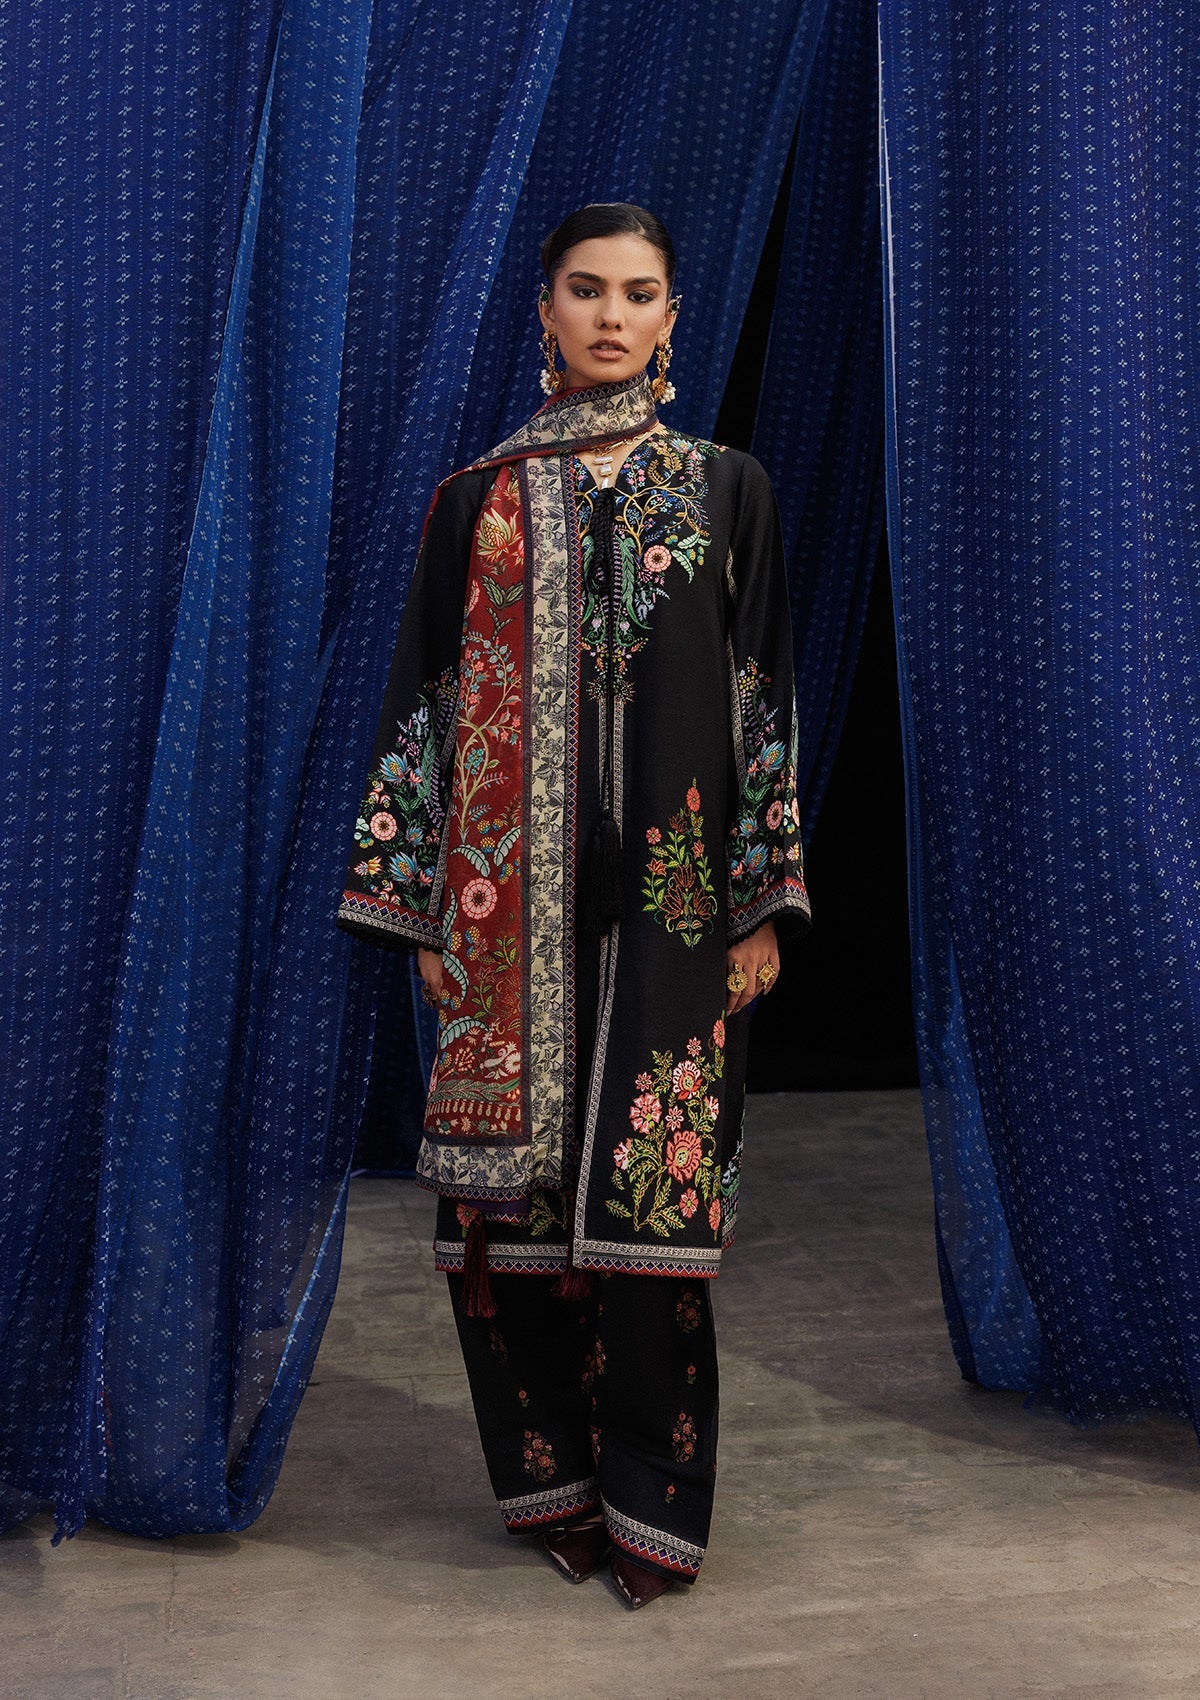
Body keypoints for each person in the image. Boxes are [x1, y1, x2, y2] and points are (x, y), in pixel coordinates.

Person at [335, 202, 811, 1608]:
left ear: (673, 317)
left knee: (657, 1213)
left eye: (639, 293)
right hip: (502, 920)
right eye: (587, 290)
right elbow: (425, 706)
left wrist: (762, 904)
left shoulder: (727, 489)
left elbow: (763, 704)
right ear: (542, 309)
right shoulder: (474, 502)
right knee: (511, 1228)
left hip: (675, 918)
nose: (612, 316)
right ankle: (547, 1484)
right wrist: (423, 909)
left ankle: (656, 1502)